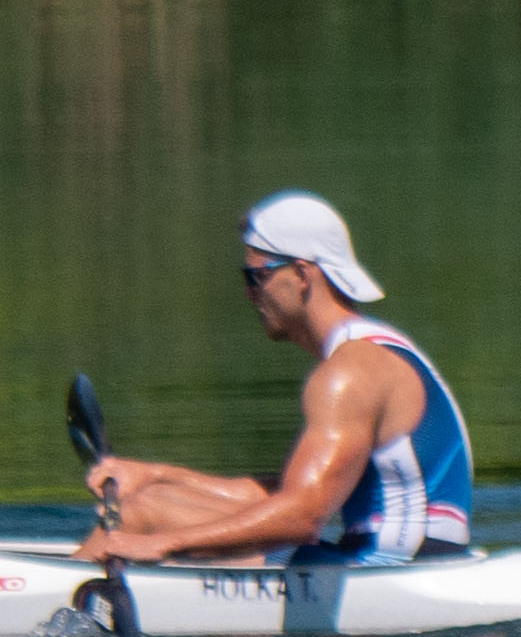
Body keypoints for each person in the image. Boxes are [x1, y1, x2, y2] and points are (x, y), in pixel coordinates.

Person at [82, 193, 477, 567]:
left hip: (391, 571)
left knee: (144, 517)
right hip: (378, 560)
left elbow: (302, 517)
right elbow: (291, 494)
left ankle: (45, 601)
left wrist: (161, 542)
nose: (249, 294)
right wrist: (156, 476)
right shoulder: (376, 349)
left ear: (302, 274)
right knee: (153, 501)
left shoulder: (350, 373)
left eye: (255, 277)